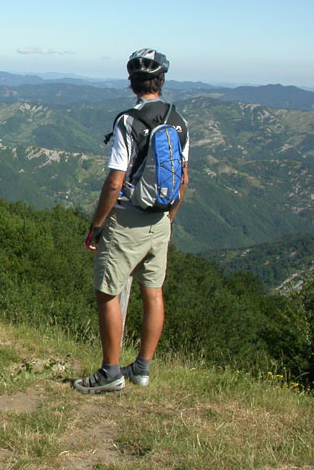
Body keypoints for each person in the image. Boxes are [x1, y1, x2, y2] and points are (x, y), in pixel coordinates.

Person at [73, 48, 189, 394]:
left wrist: (97, 224)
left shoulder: (129, 122)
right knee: (153, 293)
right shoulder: (178, 120)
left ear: (132, 83)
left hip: (128, 220)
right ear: (162, 80)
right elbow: (182, 179)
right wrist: (169, 220)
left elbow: (115, 182)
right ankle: (141, 369)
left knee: (107, 291)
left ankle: (110, 373)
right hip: (161, 221)